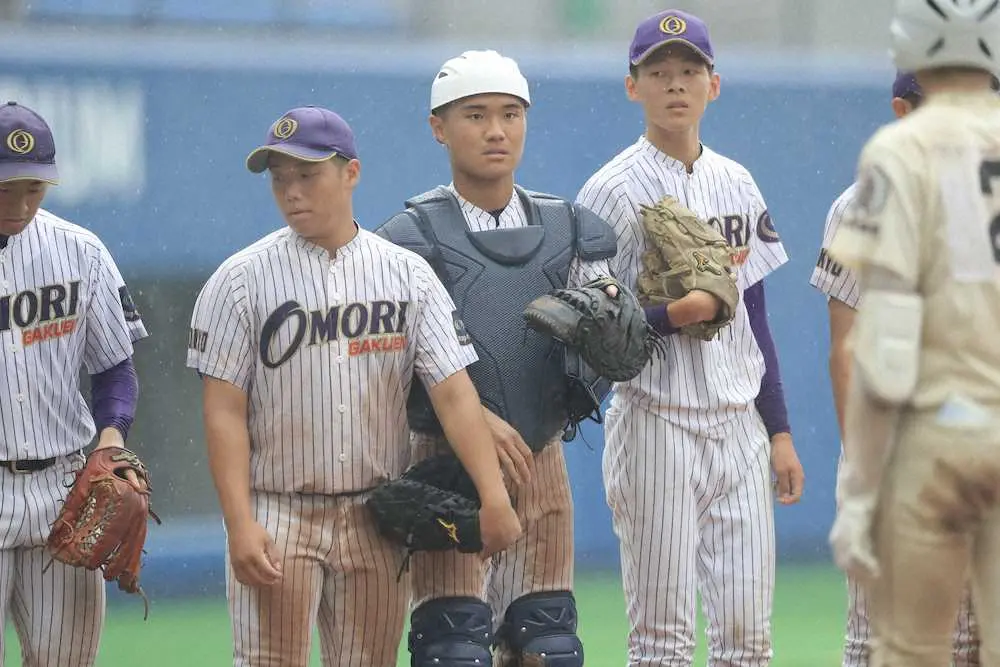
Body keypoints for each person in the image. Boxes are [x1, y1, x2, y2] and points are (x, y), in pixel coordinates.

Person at [185, 105, 521, 667]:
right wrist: (240, 524)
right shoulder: (239, 279)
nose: (292, 191)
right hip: (278, 512)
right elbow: (223, 411)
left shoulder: (407, 273)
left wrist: (493, 495)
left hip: (376, 514)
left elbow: (454, 393)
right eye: (280, 178)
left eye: (308, 174)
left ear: (351, 173)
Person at [575, 10, 805, 666]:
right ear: (632, 87)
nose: (675, 84)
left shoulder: (737, 182)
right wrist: (675, 312)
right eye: (659, 72)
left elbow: (753, 318)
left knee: (747, 639)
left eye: (689, 71)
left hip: (739, 429)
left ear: (715, 84)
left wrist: (780, 430)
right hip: (656, 422)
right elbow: (589, 324)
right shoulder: (610, 190)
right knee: (663, 641)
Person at [375, 49, 617, 667]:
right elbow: (388, 366)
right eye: (475, 115)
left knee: (551, 644)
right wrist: (472, 416)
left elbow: (610, 348)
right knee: (453, 646)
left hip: (542, 457)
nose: (495, 130)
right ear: (438, 127)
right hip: (445, 460)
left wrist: (600, 350)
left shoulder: (572, 229)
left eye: (510, 114)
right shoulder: (407, 242)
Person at [827, 0, 1000, 664]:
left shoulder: (900, 150)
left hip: (939, 432)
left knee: (910, 647)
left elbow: (887, 340)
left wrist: (860, 487)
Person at [0, 100, 148, 665]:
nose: (19, 204)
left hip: (62, 492)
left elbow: (113, 365)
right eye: (5, 188)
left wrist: (113, 434)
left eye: (32, 188)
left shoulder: (80, 250)